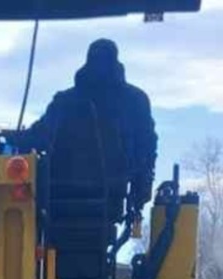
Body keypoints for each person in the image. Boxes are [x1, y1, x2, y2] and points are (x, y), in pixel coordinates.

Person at [10, 39, 158, 219]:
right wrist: (142, 185)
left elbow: (39, 136)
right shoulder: (135, 99)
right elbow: (147, 145)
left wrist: (12, 139)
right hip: (112, 194)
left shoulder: (64, 102)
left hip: (59, 195)